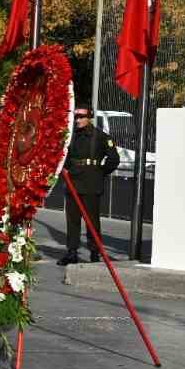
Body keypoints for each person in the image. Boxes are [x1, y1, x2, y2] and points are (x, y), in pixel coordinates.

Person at [58, 106, 121, 266]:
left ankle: (94, 252)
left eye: (81, 117)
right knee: (72, 220)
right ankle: (72, 252)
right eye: (76, 117)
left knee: (92, 220)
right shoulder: (70, 136)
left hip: (91, 183)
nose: (78, 120)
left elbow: (113, 159)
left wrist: (100, 172)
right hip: (73, 182)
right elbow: (64, 156)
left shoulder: (100, 136)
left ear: (89, 117)